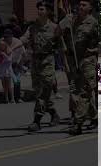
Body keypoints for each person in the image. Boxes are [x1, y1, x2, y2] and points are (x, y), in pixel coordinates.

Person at [20, 0, 61, 132]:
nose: (39, 11)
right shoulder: (33, 27)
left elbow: (62, 47)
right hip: (35, 63)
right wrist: (10, 44)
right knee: (40, 93)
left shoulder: (55, 28)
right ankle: (54, 114)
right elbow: (23, 39)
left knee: (43, 93)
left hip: (48, 62)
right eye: (38, 9)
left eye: (42, 9)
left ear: (48, 11)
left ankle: (36, 121)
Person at [59, 0, 98, 135]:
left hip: (88, 61)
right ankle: (94, 117)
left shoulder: (93, 23)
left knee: (84, 91)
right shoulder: (73, 21)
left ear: (90, 7)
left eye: (84, 5)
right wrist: (64, 21)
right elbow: (57, 34)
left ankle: (78, 123)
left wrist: (93, 51)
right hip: (75, 61)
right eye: (79, 5)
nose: (80, 7)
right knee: (79, 91)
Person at [2, 29, 26, 103]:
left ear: (11, 36)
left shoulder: (18, 42)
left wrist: (20, 65)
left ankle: (17, 97)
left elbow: (23, 55)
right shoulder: (2, 42)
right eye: (5, 37)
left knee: (17, 81)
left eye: (8, 37)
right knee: (6, 81)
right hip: (6, 64)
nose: (6, 39)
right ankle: (8, 98)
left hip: (16, 63)